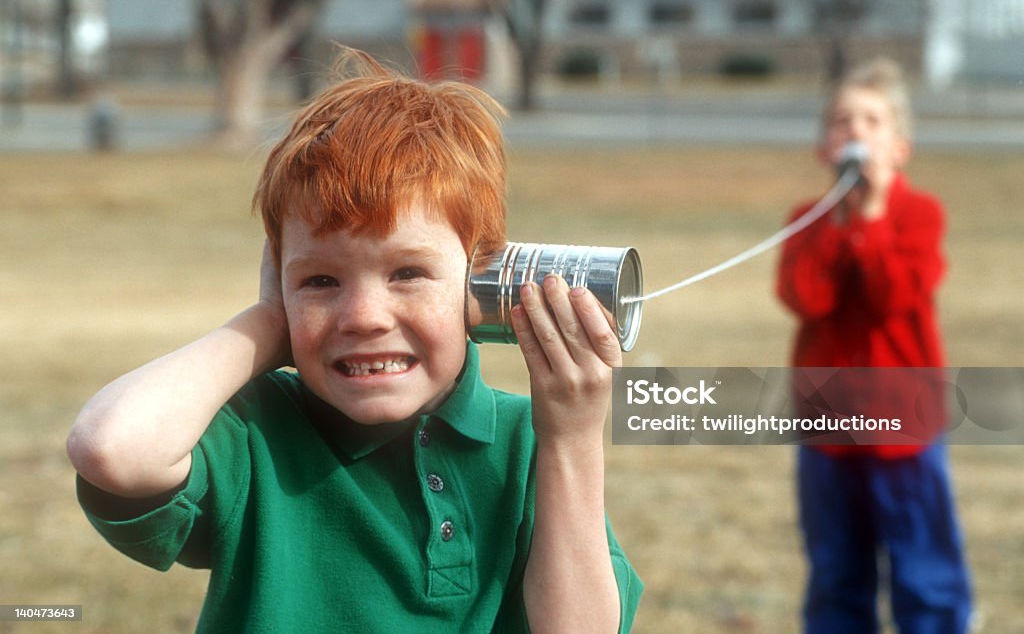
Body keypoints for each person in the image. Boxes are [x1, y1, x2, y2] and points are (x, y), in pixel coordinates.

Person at [67, 49, 642, 633]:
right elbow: (110, 449)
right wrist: (269, 323)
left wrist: (570, 440)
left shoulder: (528, 445)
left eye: (407, 274)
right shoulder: (253, 433)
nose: (363, 316)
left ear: (478, 280)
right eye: (320, 280)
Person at [775, 58, 972, 633]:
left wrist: (874, 217)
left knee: (924, 572)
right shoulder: (806, 221)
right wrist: (839, 223)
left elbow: (895, 295)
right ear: (823, 146)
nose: (855, 131)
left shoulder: (920, 215)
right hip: (829, 432)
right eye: (841, 120)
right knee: (836, 571)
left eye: (871, 120)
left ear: (900, 146)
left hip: (903, 429)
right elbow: (805, 298)